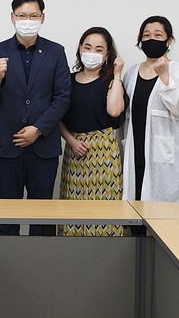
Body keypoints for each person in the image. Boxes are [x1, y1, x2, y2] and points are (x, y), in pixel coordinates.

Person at [0, 0, 71, 236]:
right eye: (22, 16)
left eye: (33, 16)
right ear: (12, 18)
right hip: (6, 147)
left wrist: (38, 129)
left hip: (43, 146)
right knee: (8, 216)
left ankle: (41, 260)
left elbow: (63, 97)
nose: (27, 21)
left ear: (42, 18)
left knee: (42, 217)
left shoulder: (55, 51)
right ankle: (8, 260)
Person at [58, 27, 127, 236]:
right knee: (73, 211)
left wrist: (117, 74)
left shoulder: (111, 81)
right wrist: (71, 141)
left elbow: (114, 111)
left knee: (105, 211)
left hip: (104, 152)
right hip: (75, 150)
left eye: (98, 49)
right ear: (80, 49)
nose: (91, 52)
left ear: (107, 54)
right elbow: (56, 117)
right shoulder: (67, 81)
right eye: (87, 47)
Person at [120, 16, 179, 204]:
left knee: (163, 210)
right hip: (135, 151)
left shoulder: (178, 70)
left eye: (158, 35)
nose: (151, 39)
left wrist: (165, 77)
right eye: (146, 35)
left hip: (163, 156)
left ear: (169, 40)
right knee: (134, 205)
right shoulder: (131, 73)